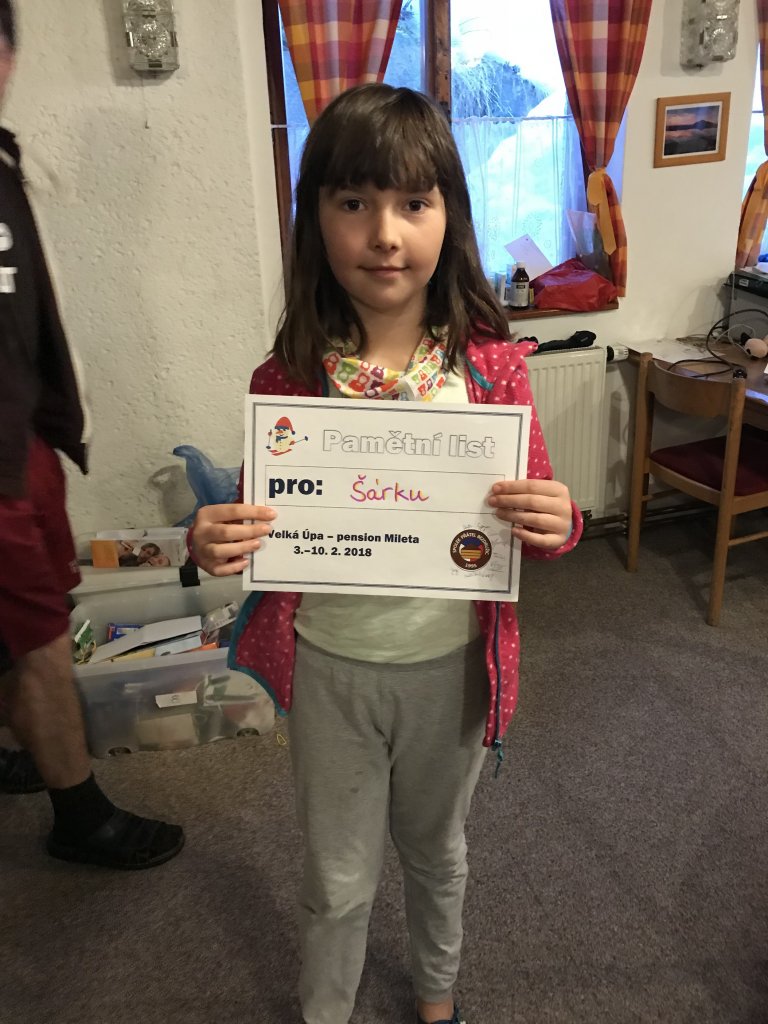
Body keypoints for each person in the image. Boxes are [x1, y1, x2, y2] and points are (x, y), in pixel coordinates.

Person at [191, 84, 583, 1024]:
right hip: (331, 666)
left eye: (414, 203)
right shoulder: (288, 378)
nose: (385, 234)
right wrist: (214, 539)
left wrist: (561, 519)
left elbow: (540, 516)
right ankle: (325, 1008)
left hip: (451, 669)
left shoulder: (491, 369)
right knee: (335, 876)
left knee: (437, 852)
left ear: (450, 215)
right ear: (316, 218)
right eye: (353, 202)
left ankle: (437, 996)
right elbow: (256, 523)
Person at [0, 0, 184, 868]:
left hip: (27, 446)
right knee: (41, 641)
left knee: (33, 622)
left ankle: (24, 746)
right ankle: (81, 818)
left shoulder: (4, 164)